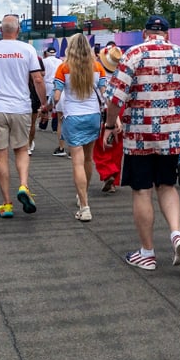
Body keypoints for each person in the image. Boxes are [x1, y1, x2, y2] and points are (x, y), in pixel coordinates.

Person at [103, 15, 180, 270]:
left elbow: (114, 99)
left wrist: (110, 125)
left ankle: (147, 253)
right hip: (171, 134)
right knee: (167, 186)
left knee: (142, 190)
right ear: (167, 33)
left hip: (139, 136)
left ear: (145, 32)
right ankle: (176, 234)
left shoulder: (133, 54)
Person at [0, 15, 49, 219]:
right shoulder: (27, 50)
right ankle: (24, 185)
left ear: (0, 29)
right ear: (18, 31)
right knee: (22, 150)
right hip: (21, 107)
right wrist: (44, 104)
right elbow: (37, 79)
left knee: (0, 155)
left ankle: (7, 204)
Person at [53, 33, 106, 222]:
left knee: (77, 161)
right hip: (93, 116)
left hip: (73, 117)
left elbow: (57, 96)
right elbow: (104, 93)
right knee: (88, 159)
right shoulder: (98, 66)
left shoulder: (63, 68)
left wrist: (50, 104)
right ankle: (82, 196)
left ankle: (84, 206)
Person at [93, 45, 124, 192]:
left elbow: (105, 98)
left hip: (104, 110)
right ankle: (114, 179)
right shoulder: (122, 74)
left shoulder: (99, 71)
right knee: (117, 147)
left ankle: (107, 173)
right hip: (121, 109)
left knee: (101, 146)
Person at [40, 45, 62, 132]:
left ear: (47, 53)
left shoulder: (43, 61)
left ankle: (42, 125)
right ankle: (55, 127)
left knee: (45, 105)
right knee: (55, 107)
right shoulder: (60, 61)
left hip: (46, 85)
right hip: (56, 85)